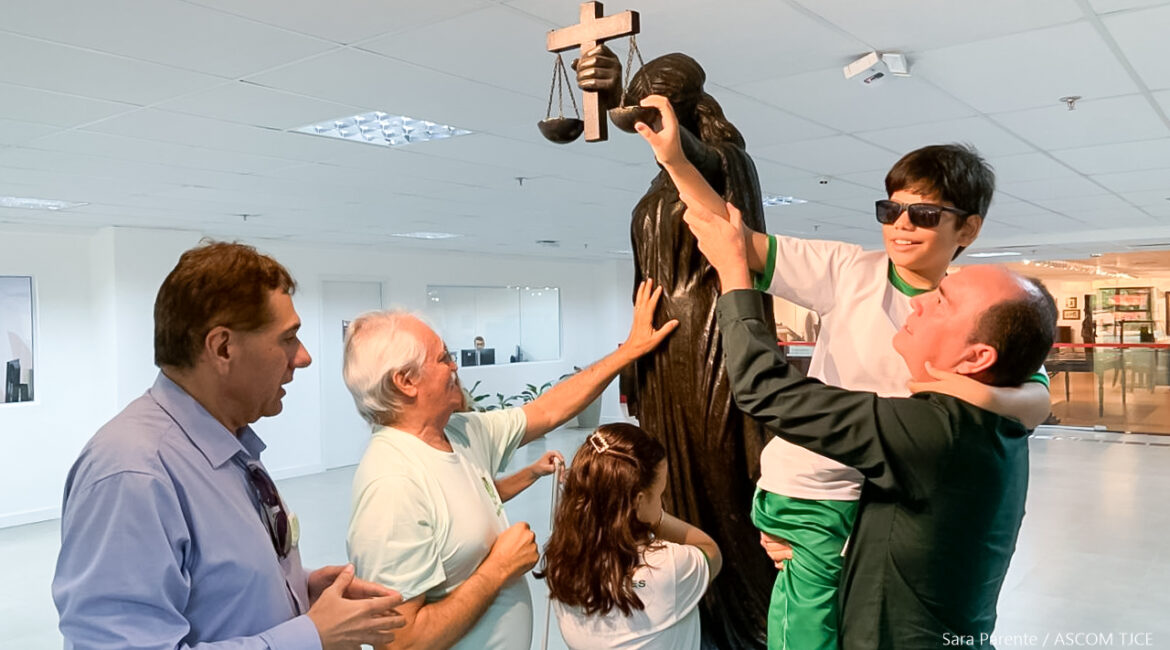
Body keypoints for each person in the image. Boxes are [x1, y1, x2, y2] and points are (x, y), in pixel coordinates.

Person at [635, 100, 1052, 648]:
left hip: (883, 501)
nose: (902, 226)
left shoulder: (975, 313)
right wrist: (676, 162)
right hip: (815, 490)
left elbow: (1032, 400)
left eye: (924, 214)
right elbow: (730, 239)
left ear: (968, 229)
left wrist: (972, 395)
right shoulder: (851, 271)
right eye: (890, 210)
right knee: (808, 634)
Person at [52, 241, 405, 650]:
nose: (304, 357)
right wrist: (311, 636)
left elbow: (215, 589)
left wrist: (299, 588)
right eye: (288, 338)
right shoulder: (133, 474)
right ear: (222, 348)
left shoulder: (226, 449)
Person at [344, 280, 677, 650]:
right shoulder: (392, 484)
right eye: (443, 358)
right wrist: (498, 569)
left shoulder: (460, 432)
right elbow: (400, 642)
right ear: (406, 381)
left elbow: (547, 410)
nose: (455, 365)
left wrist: (629, 351)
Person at [576, 45, 776, 648]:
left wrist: (629, 107)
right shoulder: (655, 190)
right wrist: (633, 363)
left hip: (712, 339)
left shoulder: (725, 163)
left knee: (721, 476)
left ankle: (751, 620)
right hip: (661, 351)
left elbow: (696, 160)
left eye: (655, 110)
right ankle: (699, 610)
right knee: (672, 476)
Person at [541, 423, 722, 649]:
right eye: (659, 494)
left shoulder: (558, 562)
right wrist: (656, 518)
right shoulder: (668, 567)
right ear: (638, 501)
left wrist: (592, 496)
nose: (661, 502)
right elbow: (711, 552)